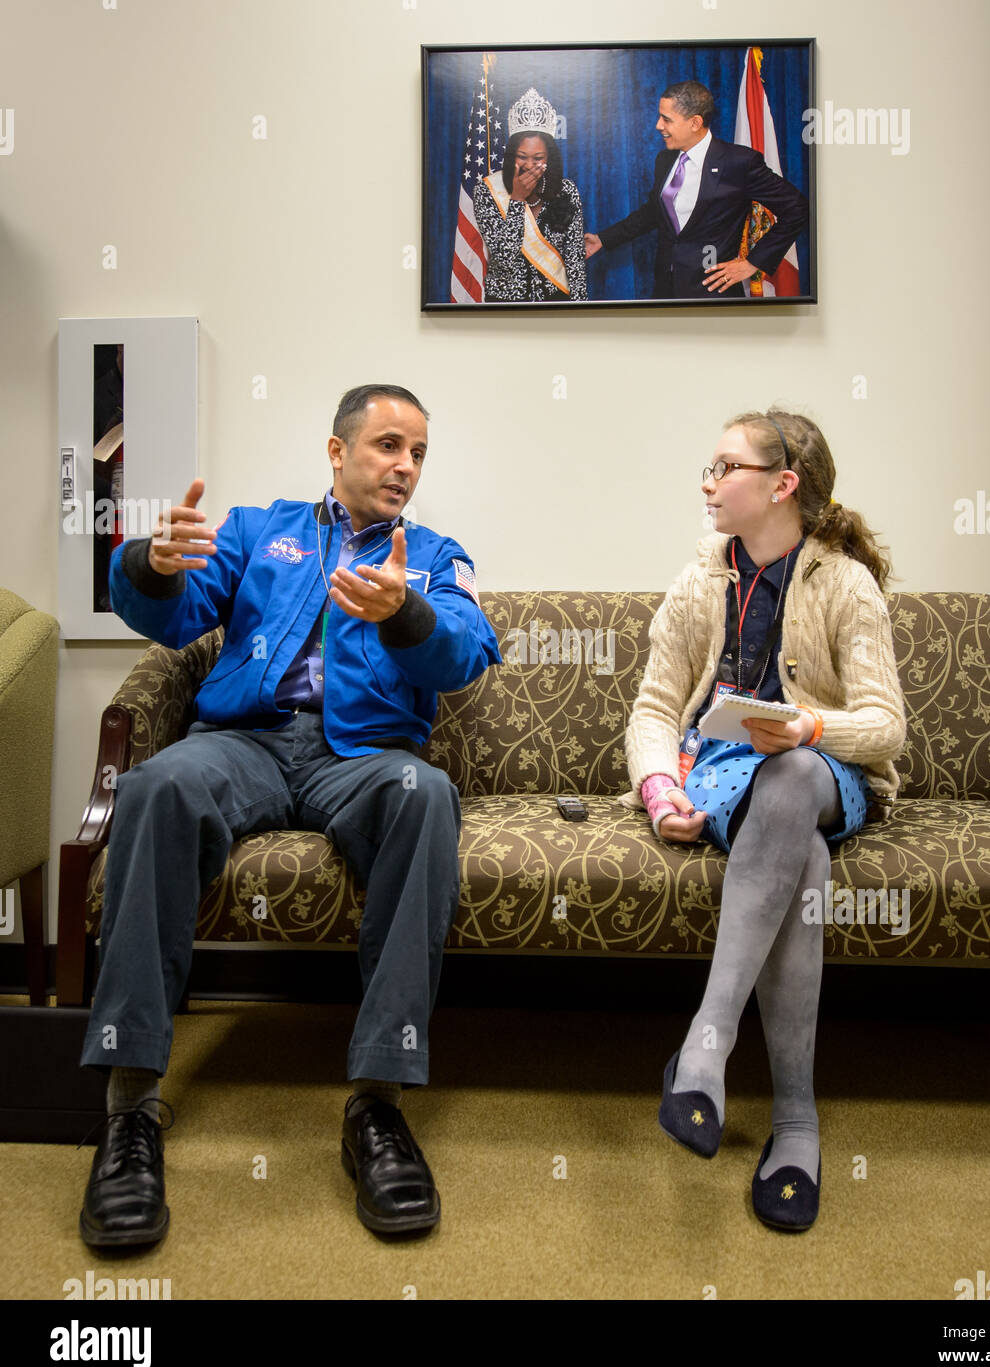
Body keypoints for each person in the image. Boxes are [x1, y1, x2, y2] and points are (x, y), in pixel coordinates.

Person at [77, 384, 501, 1246]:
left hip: (366, 758)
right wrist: (147, 563)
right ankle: (129, 1112)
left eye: (418, 452)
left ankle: (377, 1107)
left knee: (427, 796)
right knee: (154, 785)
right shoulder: (251, 529)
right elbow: (173, 616)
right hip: (247, 743)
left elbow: (467, 653)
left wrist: (405, 611)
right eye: (388, 445)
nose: (405, 467)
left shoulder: (431, 553)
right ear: (338, 453)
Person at [623, 409, 907, 1230]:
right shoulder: (698, 580)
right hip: (717, 780)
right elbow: (651, 710)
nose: (706, 483)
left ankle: (707, 1041)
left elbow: (885, 726)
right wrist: (658, 791)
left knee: (787, 777)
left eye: (724, 468)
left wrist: (810, 727)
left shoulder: (845, 584)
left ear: (781, 485)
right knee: (803, 863)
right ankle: (795, 1123)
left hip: (825, 774)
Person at [585, 81, 809, 300]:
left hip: (712, 295)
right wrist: (604, 239)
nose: (658, 126)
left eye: (666, 119)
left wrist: (753, 262)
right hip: (665, 291)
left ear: (695, 123)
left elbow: (797, 208)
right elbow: (654, 213)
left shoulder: (738, 162)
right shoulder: (665, 159)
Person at [473, 90, 587, 303]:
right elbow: (504, 259)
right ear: (511, 156)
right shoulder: (487, 191)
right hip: (506, 304)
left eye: (538, 159)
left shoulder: (566, 190)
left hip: (556, 301)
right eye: (522, 157)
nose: (529, 165)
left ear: (549, 158)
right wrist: (516, 199)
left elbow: (575, 261)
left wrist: (580, 309)